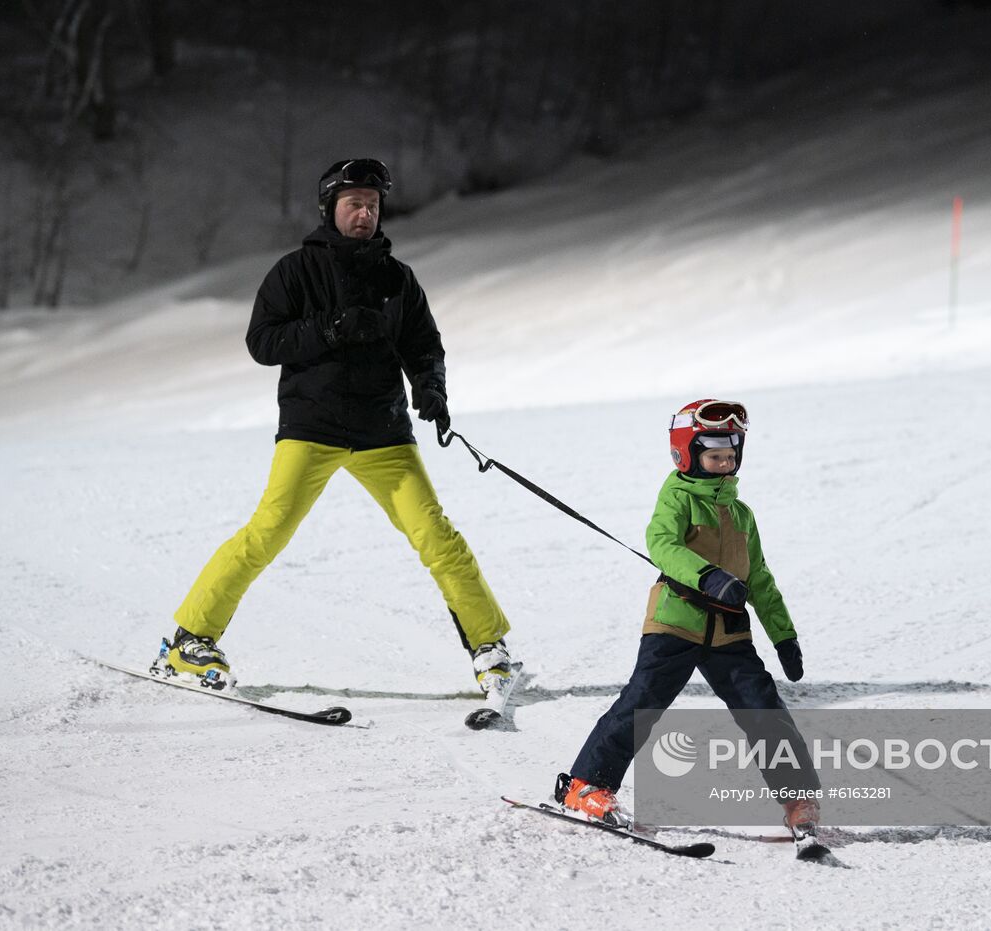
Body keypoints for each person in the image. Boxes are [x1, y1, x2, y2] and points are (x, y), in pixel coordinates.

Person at [158, 157, 513, 697]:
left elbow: (423, 346)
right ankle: (190, 640)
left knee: (437, 537)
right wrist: (329, 327)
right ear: (330, 208)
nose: (365, 214)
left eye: (372, 205)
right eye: (354, 204)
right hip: (311, 427)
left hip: (385, 433)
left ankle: (489, 647)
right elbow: (263, 342)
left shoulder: (396, 278)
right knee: (266, 532)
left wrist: (432, 388)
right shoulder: (294, 272)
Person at [554, 399, 820, 843]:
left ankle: (798, 799)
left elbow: (760, 579)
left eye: (731, 456)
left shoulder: (741, 514)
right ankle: (585, 786)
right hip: (675, 621)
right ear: (687, 454)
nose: (724, 465)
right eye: (715, 456)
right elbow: (661, 543)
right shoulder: (676, 497)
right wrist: (709, 577)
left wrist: (784, 636)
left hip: (728, 630)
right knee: (644, 703)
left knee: (764, 711)